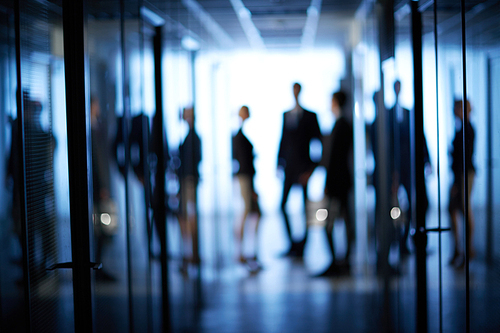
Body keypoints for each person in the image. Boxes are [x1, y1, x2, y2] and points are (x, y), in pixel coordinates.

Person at [277, 83, 322, 257]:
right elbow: (283, 140)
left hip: (303, 169)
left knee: (305, 208)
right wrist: (279, 163)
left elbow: (319, 143)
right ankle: (292, 243)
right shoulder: (286, 115)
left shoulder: (310, 116)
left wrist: (311, 169)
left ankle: (304, 243)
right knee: (282, 205)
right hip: (289, 167)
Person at [392, 80, 430, 256]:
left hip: (411, 167)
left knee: (418, 204)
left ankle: (408, 240)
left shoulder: (408, 113)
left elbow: (420, 137)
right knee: (396, 208)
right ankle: (399, 241)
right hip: (396, 169)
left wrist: (427, 160)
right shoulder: (389, 114)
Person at [317, 91, 353, 276]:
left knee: (330, 223)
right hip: (341, 181)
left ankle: (339, 261)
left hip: (337, 182)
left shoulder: (341, 125)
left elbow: (335, 159)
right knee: (342, 222)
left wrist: (328, 182)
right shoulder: (342, 124)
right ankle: (342, 260)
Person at [232, 106, 262, 270]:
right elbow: (243, 161)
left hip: (246, 177)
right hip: (245, 178)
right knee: (248, 212)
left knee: (252, 213)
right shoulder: (239, 136)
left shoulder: (239, 135)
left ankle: (247, 251)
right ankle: (243, 251)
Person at [448, 99, 475, 268]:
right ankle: (460, 249)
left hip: (463, 175)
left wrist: (457, 182)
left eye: (456, 108)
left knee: (464, 209)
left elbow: (464, 158)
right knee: (454, 209)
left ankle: (467, 249)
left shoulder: (467, 129)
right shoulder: (463, 128)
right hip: (461, 175)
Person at [178, 106, 202, 271]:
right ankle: (191, 253)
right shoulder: (191, 136)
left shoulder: (193, 137)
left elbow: (193, 160)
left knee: (188, 217)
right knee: (187, 216)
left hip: (189, 179)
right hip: (187, 179)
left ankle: (192, 254)